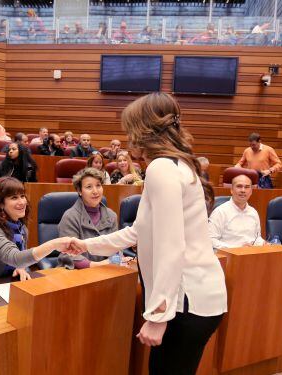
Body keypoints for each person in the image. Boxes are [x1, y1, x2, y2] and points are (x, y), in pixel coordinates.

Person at [66, 92, 227, 374]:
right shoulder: (177, 164)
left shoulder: (161, 167)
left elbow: (171, 246)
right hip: (198, 299)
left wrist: (158, 315)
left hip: (185, 302)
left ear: (143, 129)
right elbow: (137, 232)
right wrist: (85, 244)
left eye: (130, 128)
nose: (128, 136)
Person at [0, 177, 71, 283]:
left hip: (5, 283)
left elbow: (18, 260)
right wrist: (53, 244)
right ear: (0, 203)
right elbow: (15, 257)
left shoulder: (21, 228)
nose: (22, 202)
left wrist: (19, 268)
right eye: (14, 198)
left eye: (22, 196)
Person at [57, 168, 120, 269]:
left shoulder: (112, 215)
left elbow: (116, 248)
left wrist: (115, 260)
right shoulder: (69, 216)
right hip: (77, 273)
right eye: (89, 187)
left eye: (98, 185)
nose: (95, 191)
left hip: (107, 271)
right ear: (79, 191)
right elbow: (69, 254)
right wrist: (98, 265)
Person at [208, 175, 265, 249]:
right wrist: (236, 249)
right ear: (231, 190)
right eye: (239, 186)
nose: (243, 190)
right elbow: (210, 240)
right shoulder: (220, 212)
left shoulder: (253, 212)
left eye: (247, 187)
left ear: (251, 191)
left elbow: (257, 238)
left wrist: (263, 243)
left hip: (251, 255)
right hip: (228, 257)